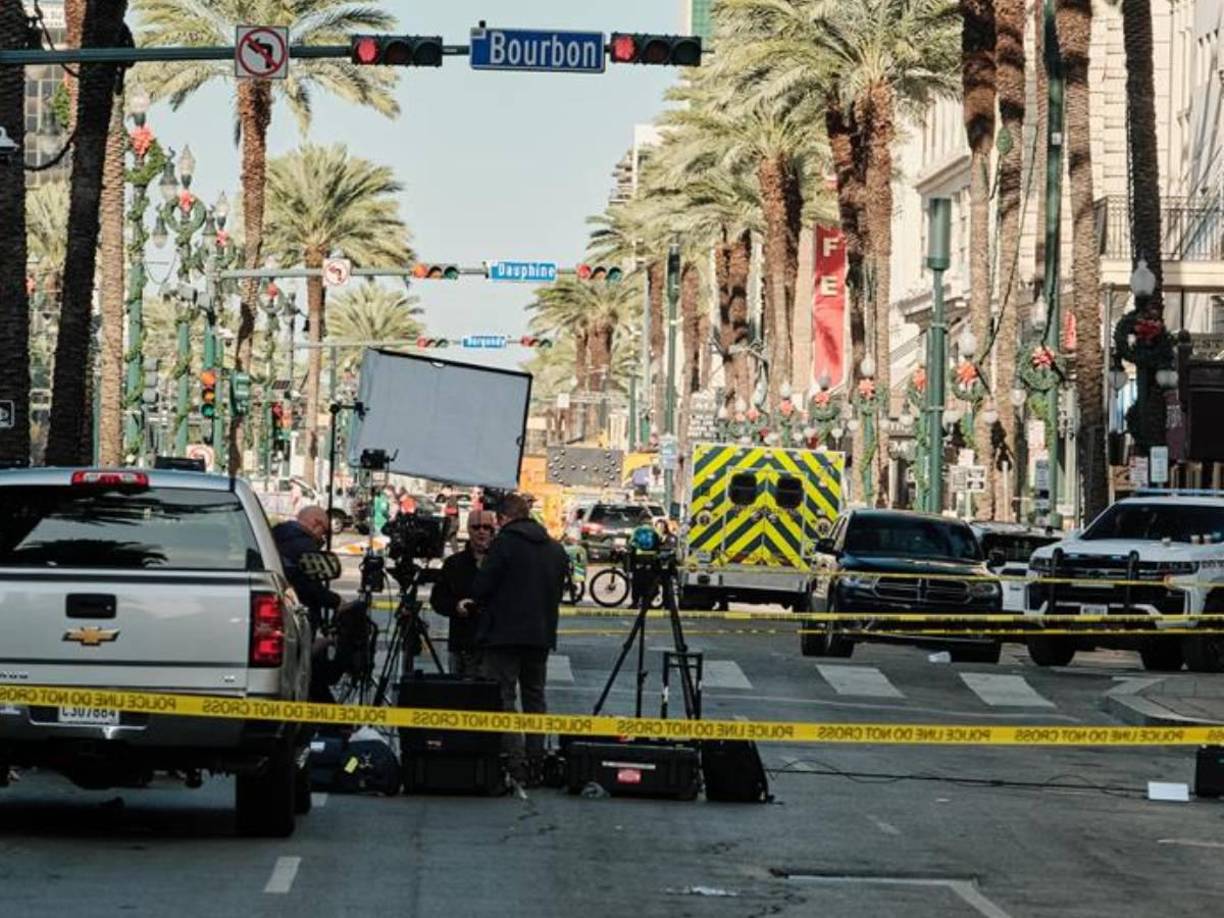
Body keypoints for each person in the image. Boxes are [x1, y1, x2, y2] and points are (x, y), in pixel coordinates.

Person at [471, 492, 568, 783]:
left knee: (504, 697)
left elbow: (481, 587)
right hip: (540, 635)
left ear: (504, 518)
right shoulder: (555, 549)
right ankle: (536, 761)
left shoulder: (504, 545)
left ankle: (514, 762)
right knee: (535, 698)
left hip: (503, 635)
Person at [272, 506, 342, 702]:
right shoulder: (304, 545)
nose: (323, 540)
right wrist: (337, 602)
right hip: (298, 619)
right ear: (315, 524)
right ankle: (330, 721)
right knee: (306, 669)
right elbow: (310, 586)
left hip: (281, 614)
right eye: (324, 533)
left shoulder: (276, 536)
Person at [429, 510, 497, 676]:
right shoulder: (455, 563)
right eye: (476, 527)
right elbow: (438, 599)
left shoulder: (501, 561)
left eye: (487, 527)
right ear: (469, 530)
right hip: (463, 642)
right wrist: (456, 607)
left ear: (492, 531)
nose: (482, 531)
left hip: (493, 644)